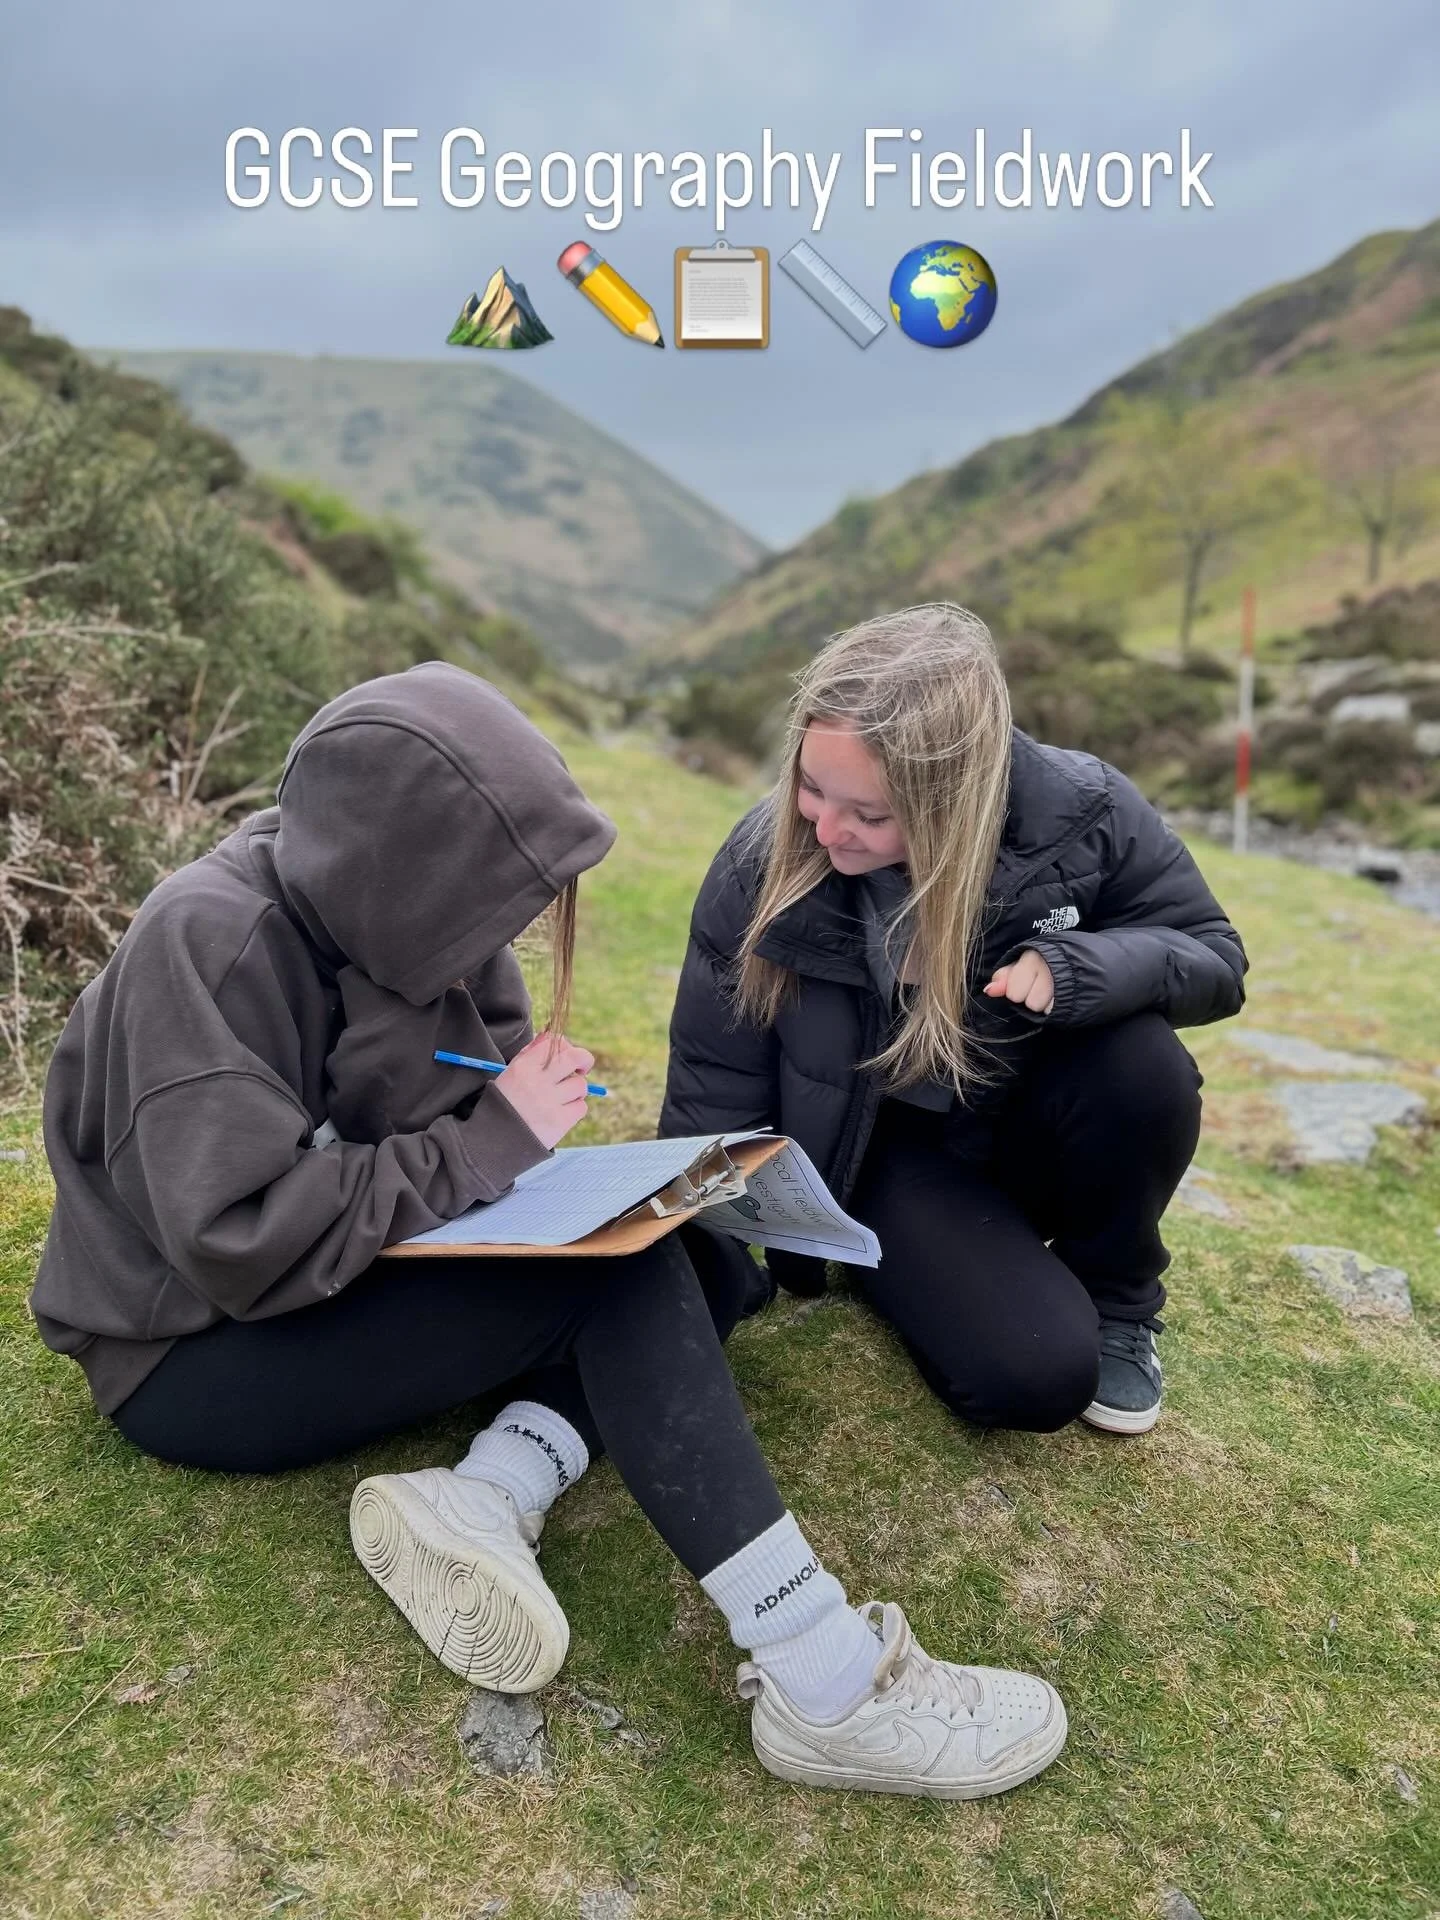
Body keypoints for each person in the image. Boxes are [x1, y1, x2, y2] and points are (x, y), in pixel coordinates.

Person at [29, 660, 1068, 1800]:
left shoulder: (395, 904)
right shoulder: (209, 948)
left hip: (348, 1273)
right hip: (188, 1350)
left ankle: (485, 1493)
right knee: (613, 1287)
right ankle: (822, 1678)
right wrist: (484, 1144)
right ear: (409, 869)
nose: (513, 933)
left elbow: (461, 1098)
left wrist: (521, 1140)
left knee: (697, 1256)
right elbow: (235, 1241)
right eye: (494, 906)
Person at [662, 604, 1247, 1438]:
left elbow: (1215, 958)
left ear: (959, 798)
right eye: (812, 786)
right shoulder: (764, 859)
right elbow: (713, 1075)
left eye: (870, 814)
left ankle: (1119, 1298)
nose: (826, 830)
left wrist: (1082, 969)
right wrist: (701, 1250)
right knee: (1033, 1379)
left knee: (1143, 1064)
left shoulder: (1086, 813)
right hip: (890, 1153)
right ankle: (911, 1261)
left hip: (1036, 1119)